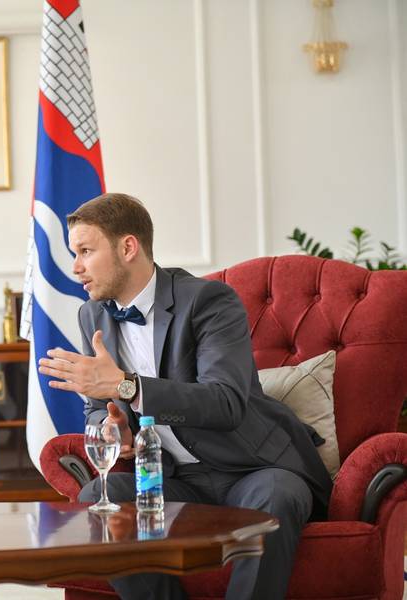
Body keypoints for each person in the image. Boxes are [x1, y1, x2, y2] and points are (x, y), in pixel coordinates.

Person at [37, 193, 332, 600]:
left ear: (128, 247)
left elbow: (225, 402)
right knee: (97, 500)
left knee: (278, 495)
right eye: (75, 254)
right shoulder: (93, 314)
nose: (75, 267)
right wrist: (112, 428)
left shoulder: (208, 301)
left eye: (86, 251)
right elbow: (96, 406)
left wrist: (128, 386)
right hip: (174, 480)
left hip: (252, 467)